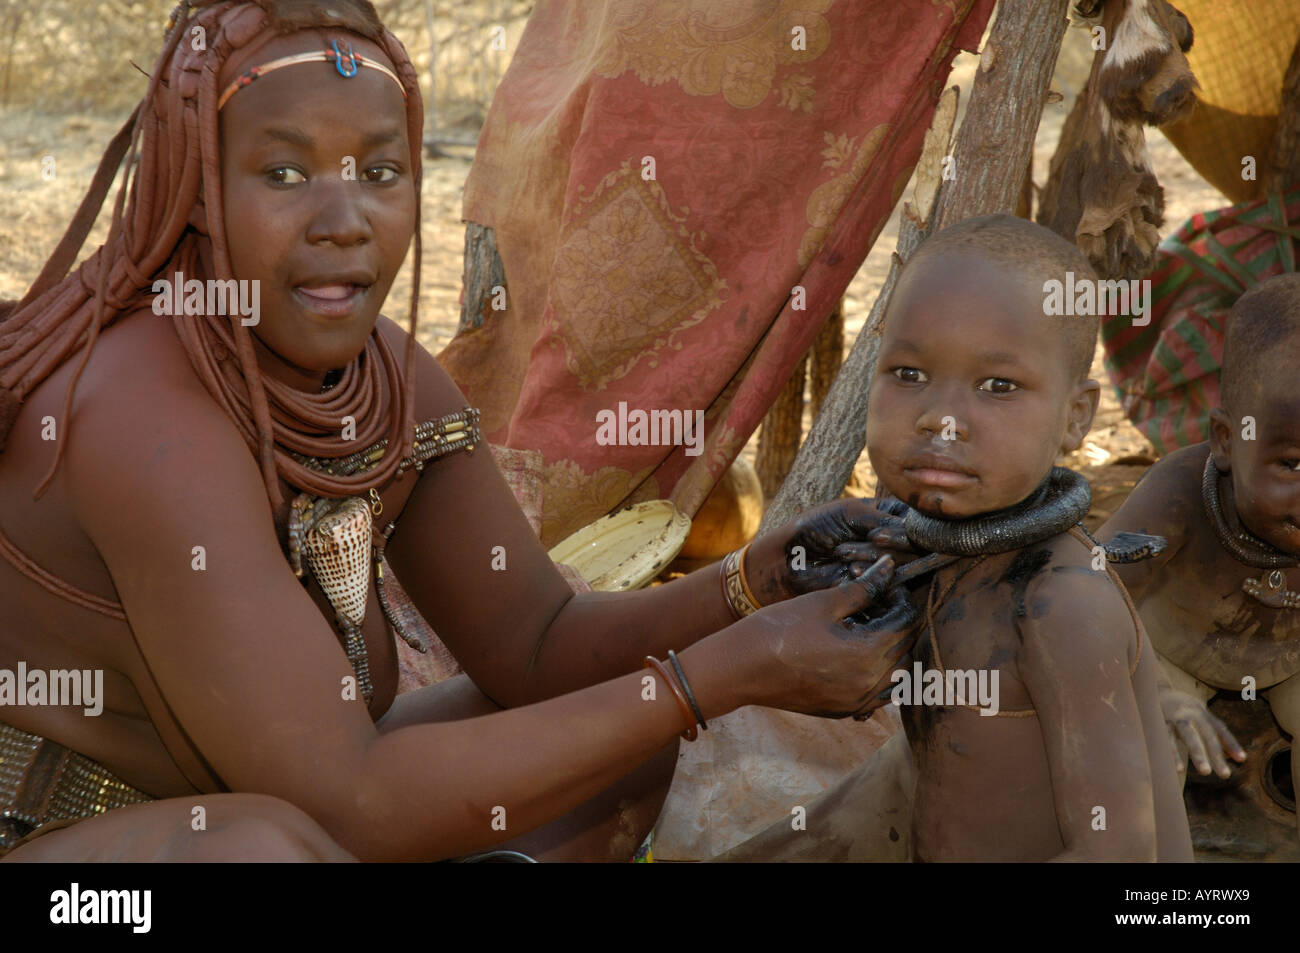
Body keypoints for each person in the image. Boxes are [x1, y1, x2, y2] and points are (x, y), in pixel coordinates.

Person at [0, 0, 919, 862]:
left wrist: (750, 587)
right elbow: (346, 798)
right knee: (261, 854)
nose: (345, 220)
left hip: (280, 805)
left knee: (613, 741)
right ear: (199, 191)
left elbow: (539, 643)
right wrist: (712, 679)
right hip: (75, 864)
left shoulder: (386, 383)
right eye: (284, 173)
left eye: (381, 171)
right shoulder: (143, 420)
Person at [862, 213, 1192, 861]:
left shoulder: (1061, 605)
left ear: (1076, 418)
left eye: (998, 386)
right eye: (908, 373)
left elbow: (1120, 853)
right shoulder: (929, 556)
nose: (941, 419)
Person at [1098, 274, 1300, 813]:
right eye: (1293, 464)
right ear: (1227, 441)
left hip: (1288, 662)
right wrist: (1150, 690)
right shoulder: (1177, 498)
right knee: (1149, 747)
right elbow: (1087, 591)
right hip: (1167, 653)